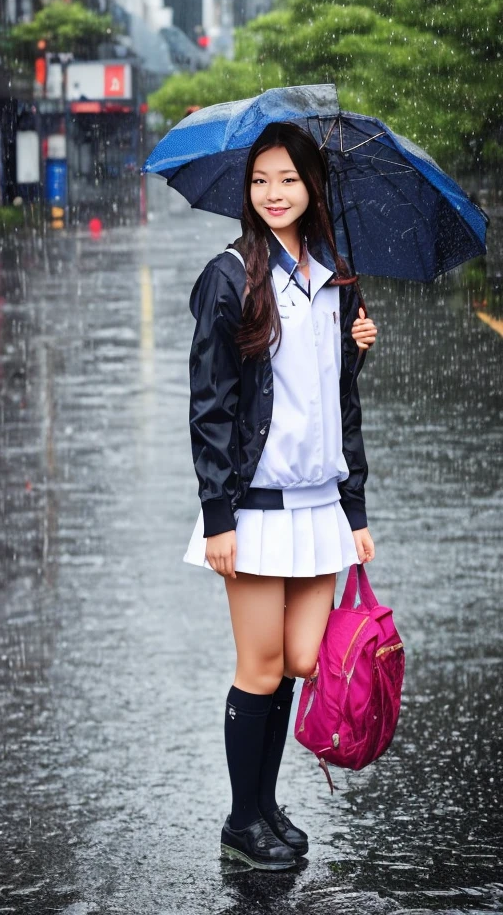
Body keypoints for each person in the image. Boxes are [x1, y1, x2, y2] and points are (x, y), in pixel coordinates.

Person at [183, 122, 378, 871]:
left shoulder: (334, 277)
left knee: (301, 659)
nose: (273, 193)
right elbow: (210, 406)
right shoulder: (230, 276)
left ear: (312, 187)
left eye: (288, 180)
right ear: (248, 189)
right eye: (261, 180)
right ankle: (243, 819)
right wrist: (218, 519)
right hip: (256, 505)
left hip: (319, 502)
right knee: (259, 666)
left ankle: (265, 805)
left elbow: (332, 406)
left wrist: (354, 356)